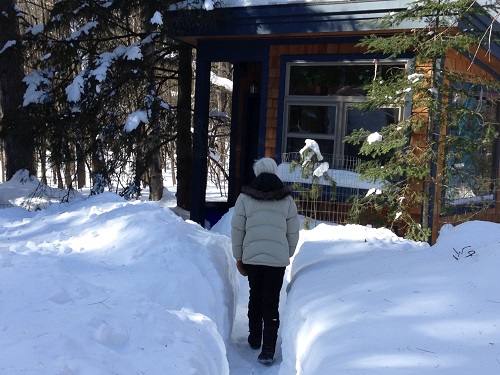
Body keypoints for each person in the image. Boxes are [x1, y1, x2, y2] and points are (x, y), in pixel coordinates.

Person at [231, 157, 300, 365]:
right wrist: (286, 252)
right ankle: (268, 349)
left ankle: (254, 338)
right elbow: (293, 231)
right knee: (271, 300)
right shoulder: (287, 199)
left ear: (256, 173)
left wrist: (239, 256)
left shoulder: (245, 197)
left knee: (255, 295)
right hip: (276, 261)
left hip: (252, 257)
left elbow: (237, 229)